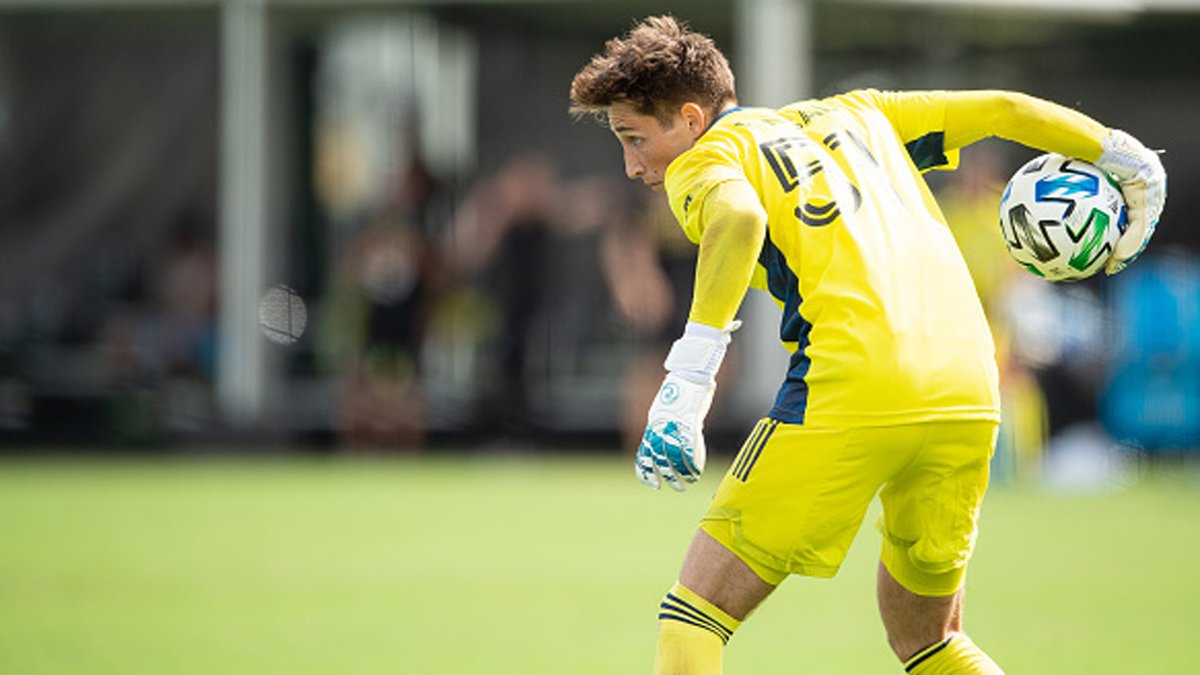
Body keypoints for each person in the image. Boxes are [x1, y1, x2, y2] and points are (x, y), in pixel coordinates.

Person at [568, 15, 1165, 675]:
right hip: (969, 387)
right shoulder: (861, 112)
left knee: (694, 615)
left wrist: (688, 380)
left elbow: (738, 215)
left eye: (634, 138)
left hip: (856, 383)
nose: (632, 166)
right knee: (931, 641)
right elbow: (1007, 109)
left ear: (689, 118)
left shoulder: (706, 158)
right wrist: (1125, 157)